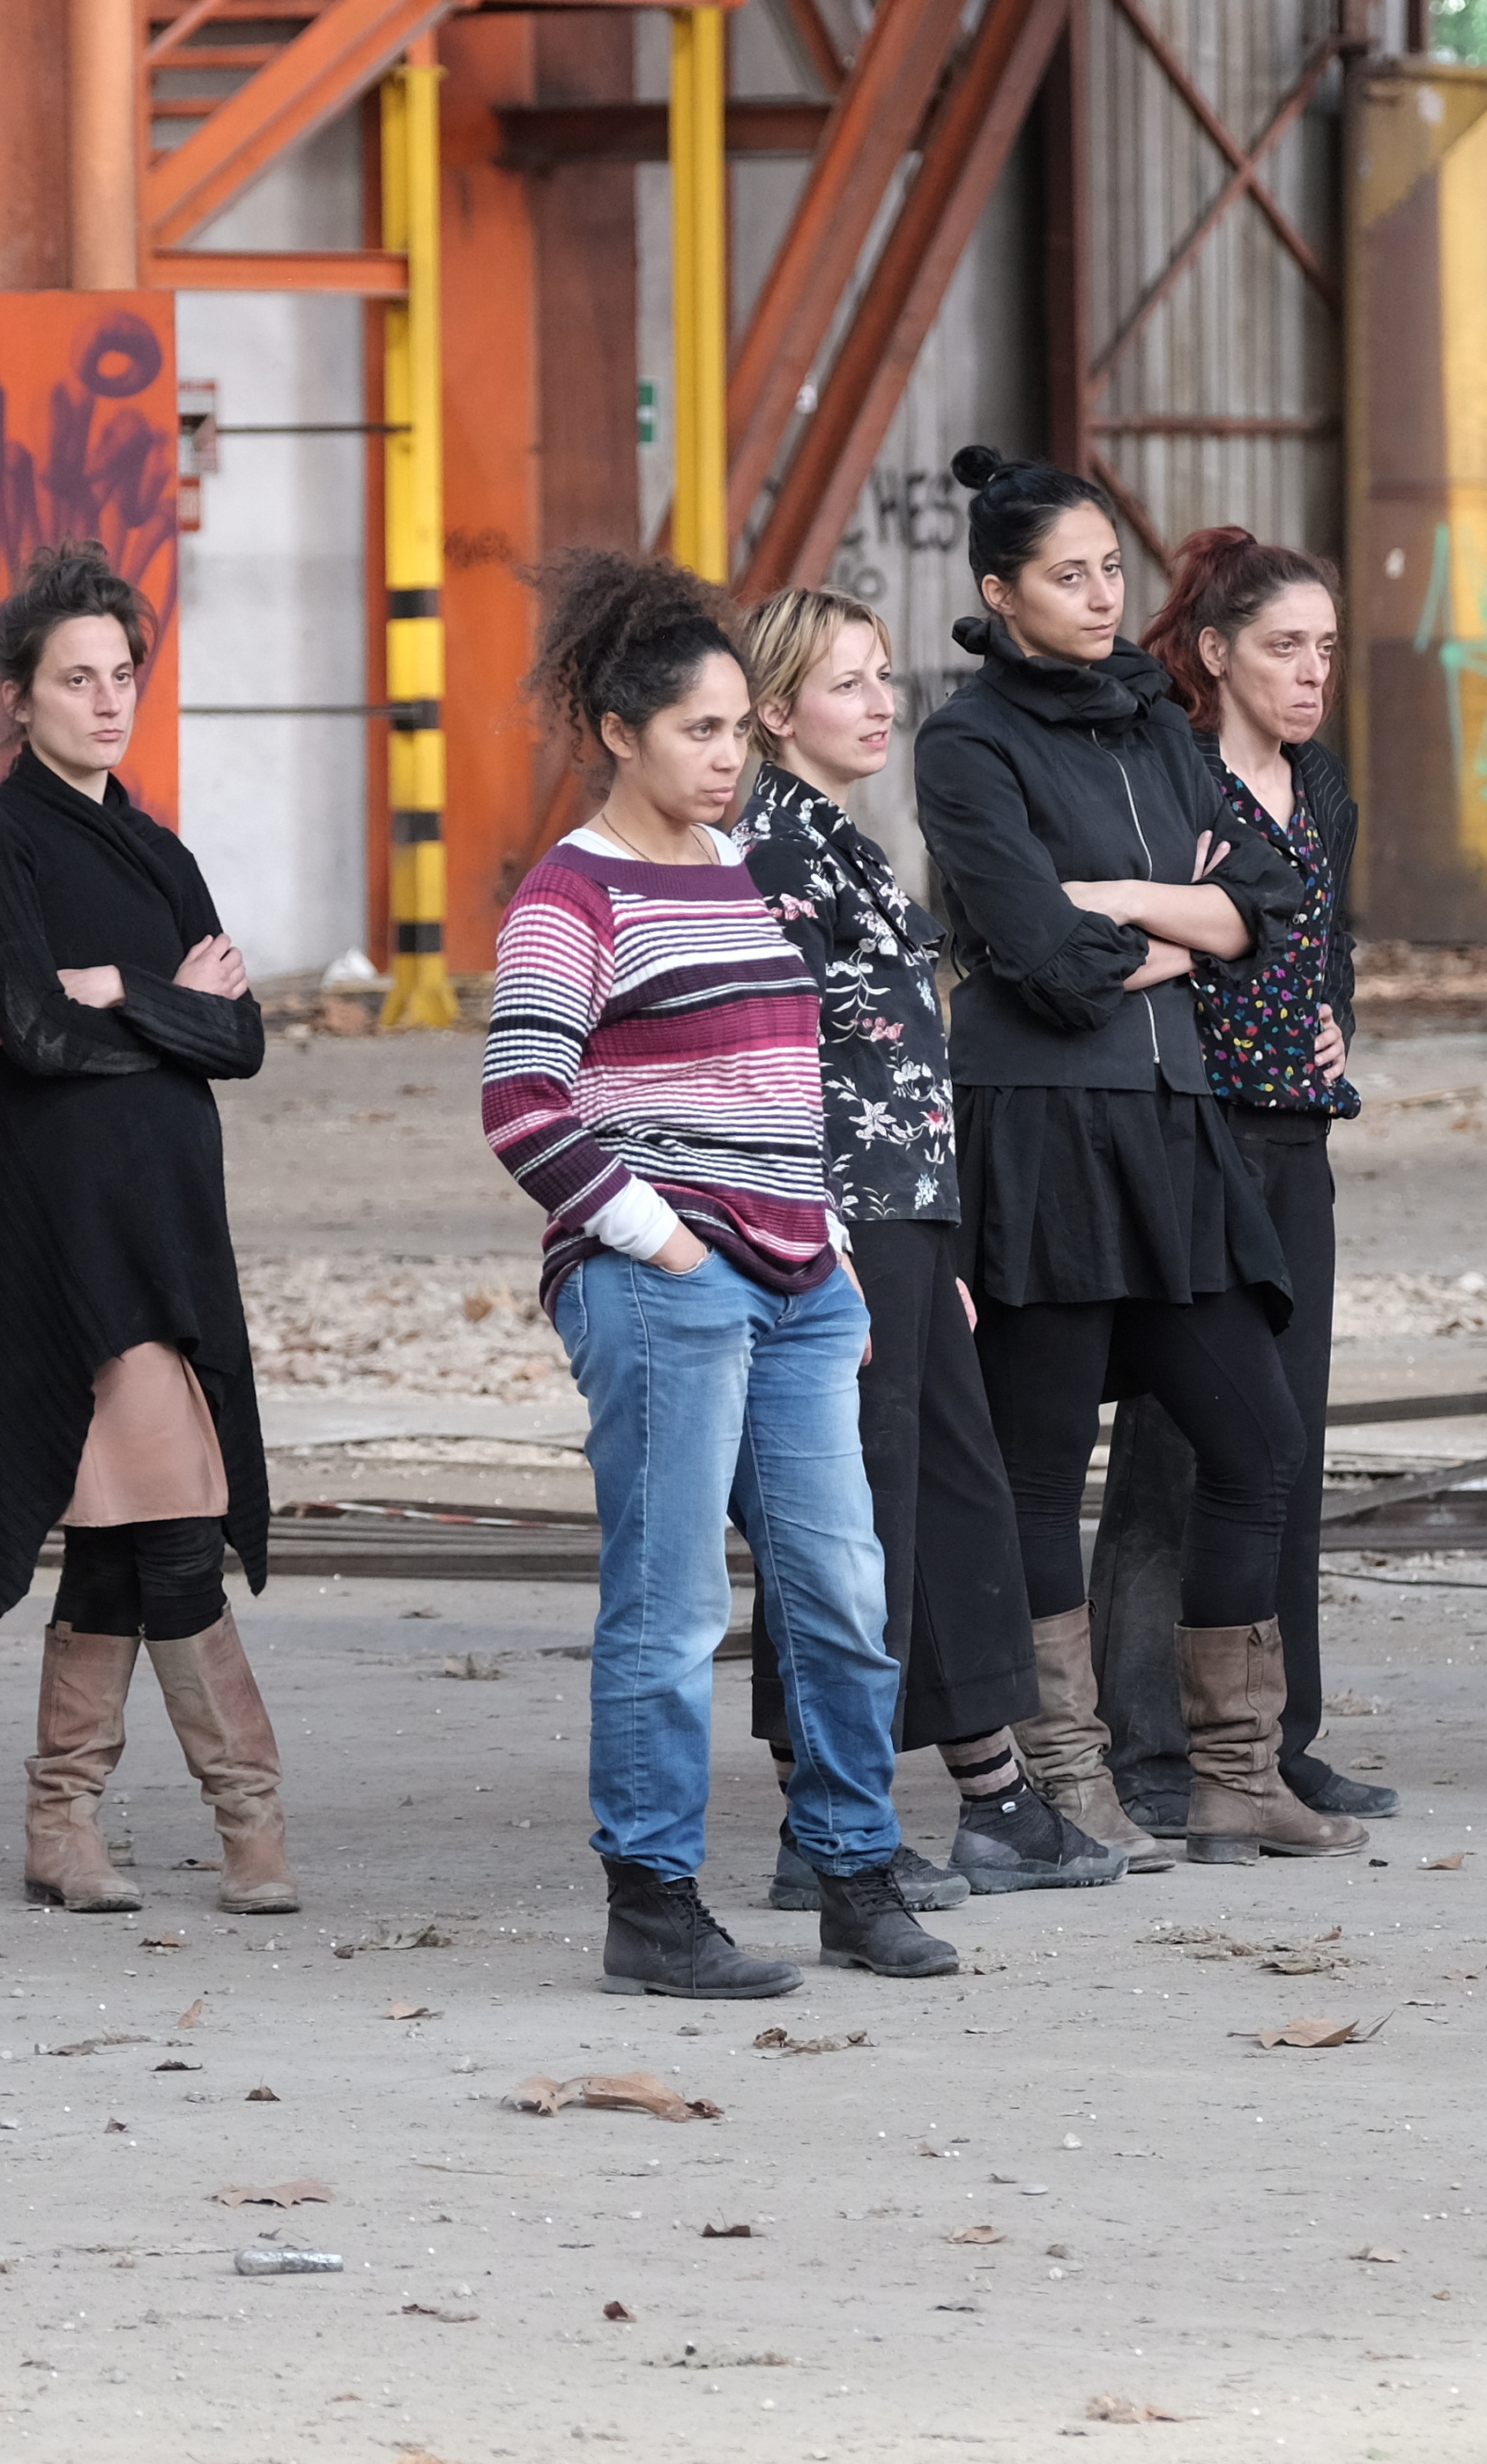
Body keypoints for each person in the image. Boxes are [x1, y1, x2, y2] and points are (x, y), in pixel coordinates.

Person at [482, 548, 954, 1996]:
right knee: (673, 1599)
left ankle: (856, 1872)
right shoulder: (571, 894)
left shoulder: (744, 876)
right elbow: (523, 1103)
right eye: (700, 729)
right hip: (661, 1283)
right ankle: (653, 1901)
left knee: (843, 1587)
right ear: (617, 732)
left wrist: (834, 1254)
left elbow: (785, 1086)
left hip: (803, 1281)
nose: (729, 755)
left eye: (741, 728)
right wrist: (669, 1241)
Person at [911, 445, 1358, 1867]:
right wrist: (1186, 925)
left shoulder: (1158, 723)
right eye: (1068, 575)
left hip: (1176, 1125)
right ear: (1001, 592)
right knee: (1043, 1467)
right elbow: (1042, 966)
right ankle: (1068, 1781)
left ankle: (1235, 1773)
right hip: (1043, 1129)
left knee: (1259, 1438)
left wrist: (1115, 905)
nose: (1102, 595)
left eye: (1111, 568)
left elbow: (1271, 901)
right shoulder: (968, 745)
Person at [0, 541, 291, 1919]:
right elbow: (35, 1037)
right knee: (171, 1522)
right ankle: (250, 1823)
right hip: (68, 1231)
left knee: (124, 1534)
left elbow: (241, 1040)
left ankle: (61, 1823)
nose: (107, 699)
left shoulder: (159, 848)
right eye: (76, 678)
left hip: (173, 1225)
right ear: (19, 696)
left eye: (122, 673)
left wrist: (119, 987)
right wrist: (164, 1006)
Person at [732, 586, 1126, 1896]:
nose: (881, 703)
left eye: (884, 676)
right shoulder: (773, 851)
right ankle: (821, 1826)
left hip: (906, 1225)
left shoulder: (840, 839)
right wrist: (816, 1236)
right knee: (847, 1521)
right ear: (775, 709)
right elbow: (771, 1063)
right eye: (846, 682)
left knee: (953, 1502)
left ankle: (997, 1801)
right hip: (835, 1230)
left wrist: (939, 1252)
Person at [1086, 530, 1393, 1837]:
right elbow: (1122, 941)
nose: (1312, 672)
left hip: (1295, 1139)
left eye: (1325, 647)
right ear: (1215, 654)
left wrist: (1338, 1021)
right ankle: (1151, 1745)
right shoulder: (1172, 776)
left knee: (1285, 1441)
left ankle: (1272, 1740)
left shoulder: (1319, 784)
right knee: (1178, 1442)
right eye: (1283, 647)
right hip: (1190, 1135)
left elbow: (1328, 943)